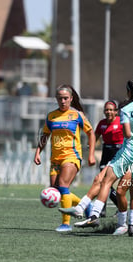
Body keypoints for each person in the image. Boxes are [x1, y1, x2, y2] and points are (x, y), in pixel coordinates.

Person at [60, 78, 133, 237]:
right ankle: (129, 225)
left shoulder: (126, 109)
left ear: (129, 92)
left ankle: (94, 214)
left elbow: (127, 134)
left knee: (106, 180)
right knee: (131, 191)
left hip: (128, 153)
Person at [34, 84, 96, 232]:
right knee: (58, 190)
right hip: (55, 158)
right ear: (56, 99)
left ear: (71, 99)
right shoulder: (51, 116)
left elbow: (91, 133)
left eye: (66, 98)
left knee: (63, 185)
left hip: (72, 156)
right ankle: (85, 206)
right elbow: (45, 135)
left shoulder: (77, 115)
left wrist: (91, 154)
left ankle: (66, 224)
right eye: (60, 98)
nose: (63, 101)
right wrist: (37, 151)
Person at [94, 100, 124, 217]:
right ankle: (103, 209)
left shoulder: (121, 122)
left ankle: (120, 207)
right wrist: (90, 147)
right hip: (106, 152)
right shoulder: (101, 123)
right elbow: (95, 137)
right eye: (107, 110)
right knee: (103, 181)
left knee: (107, 181)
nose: (109, 112)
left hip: (117, 152)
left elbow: (129, 135)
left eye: (111, 109)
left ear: (116, 111)